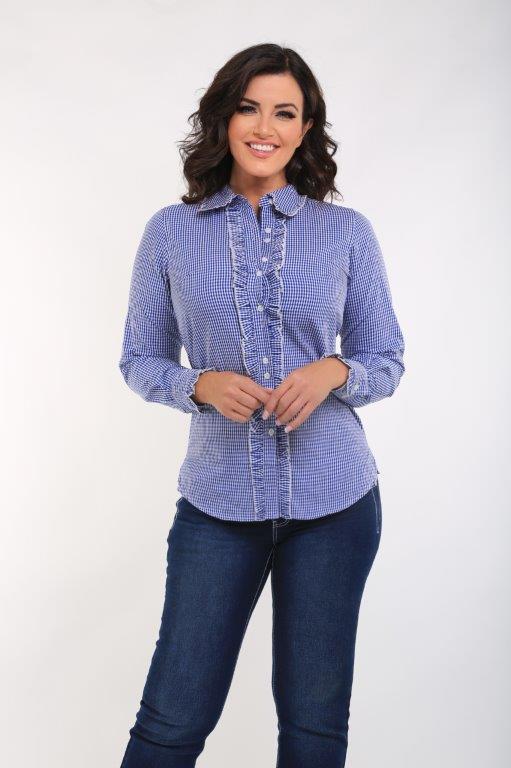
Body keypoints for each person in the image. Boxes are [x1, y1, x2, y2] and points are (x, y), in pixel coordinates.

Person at [118, 42, 405, 768]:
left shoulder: (344, 232)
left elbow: (386, 358)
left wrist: (334, 370)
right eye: (249, 107)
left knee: (313, 727)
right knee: (170, 721)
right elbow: (139, 358)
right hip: (217, 507)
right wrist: (197, 385)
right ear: (224, 118)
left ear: (305, 129)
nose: (264, 127)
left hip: (335, 503)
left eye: (284, 112)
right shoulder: (171, 231)